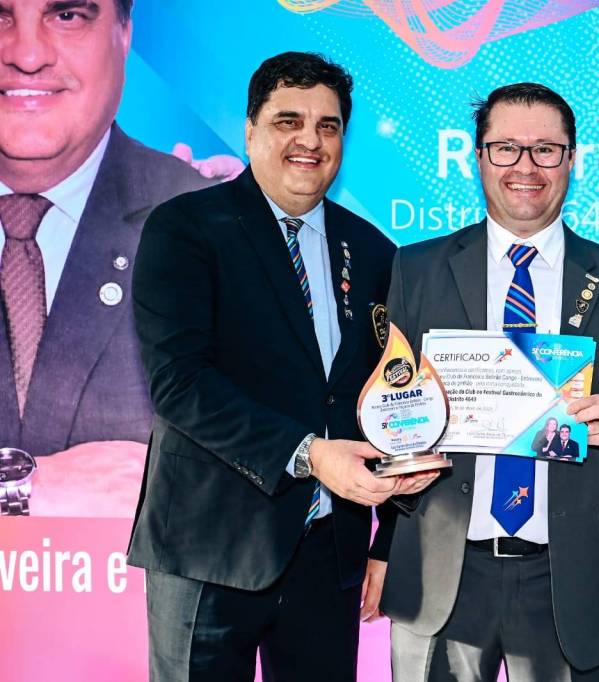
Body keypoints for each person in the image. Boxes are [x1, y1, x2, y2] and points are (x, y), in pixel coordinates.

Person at [126, 51, 434, 681]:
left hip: (329, 554)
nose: (309, 140)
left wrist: (387, 542)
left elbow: (395, 399)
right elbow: (179, 384)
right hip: (211, 549)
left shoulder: (375, 252)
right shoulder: (186, 228)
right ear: (250, 131)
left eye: (328, 126)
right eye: (288, 120)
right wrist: (310, 454)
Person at [380, 82, 599, 682]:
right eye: (506, 148)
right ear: (479, 157)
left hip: (571, 578)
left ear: (572, 159)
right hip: (442, 572)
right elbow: (390, 408)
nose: (525, 167)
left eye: (546, 150)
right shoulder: (415, 270)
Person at [0, 0, 236, 517]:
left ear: (126, 32)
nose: (27, 54)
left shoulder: (217, 228)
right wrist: (26, 489)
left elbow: (275, 473)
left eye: (67, 15)